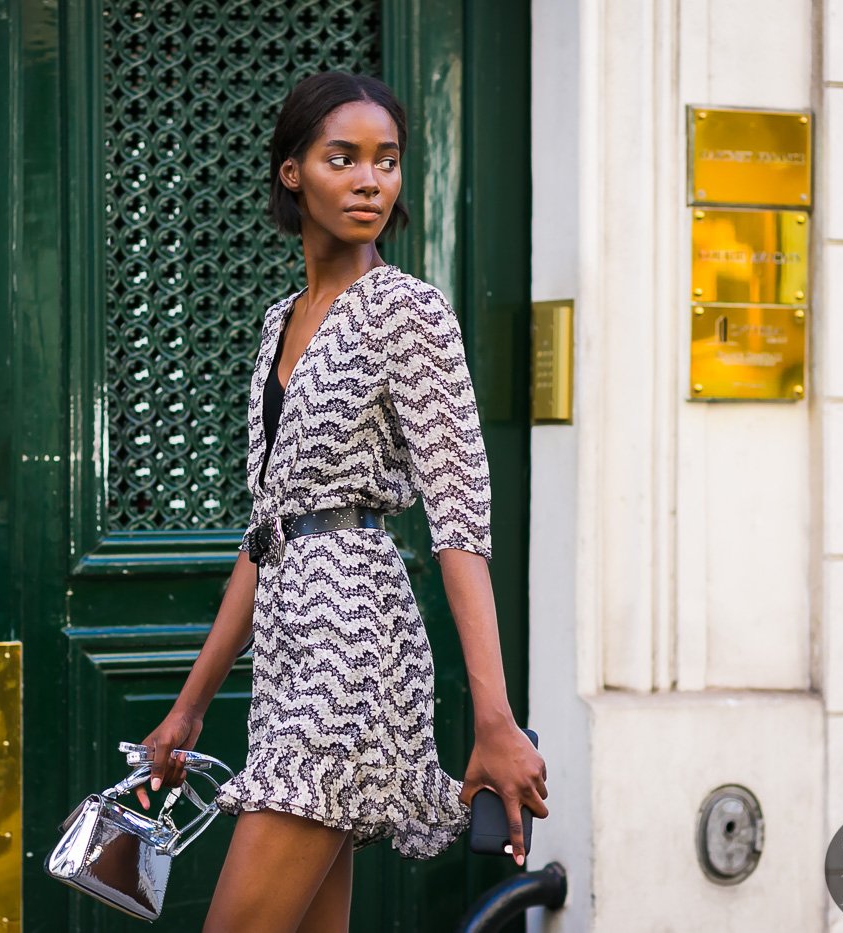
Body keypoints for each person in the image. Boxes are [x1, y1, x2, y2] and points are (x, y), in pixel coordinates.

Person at [133, 71, 549, 932]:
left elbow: (461, 515)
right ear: (293, 172)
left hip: (353, 651)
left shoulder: (409, 314)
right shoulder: (278, 323)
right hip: (289, 653)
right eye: (343, 158)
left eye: (387, 161)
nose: (370, 180)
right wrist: (190, 705)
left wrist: (495, 715)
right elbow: (267, 535)